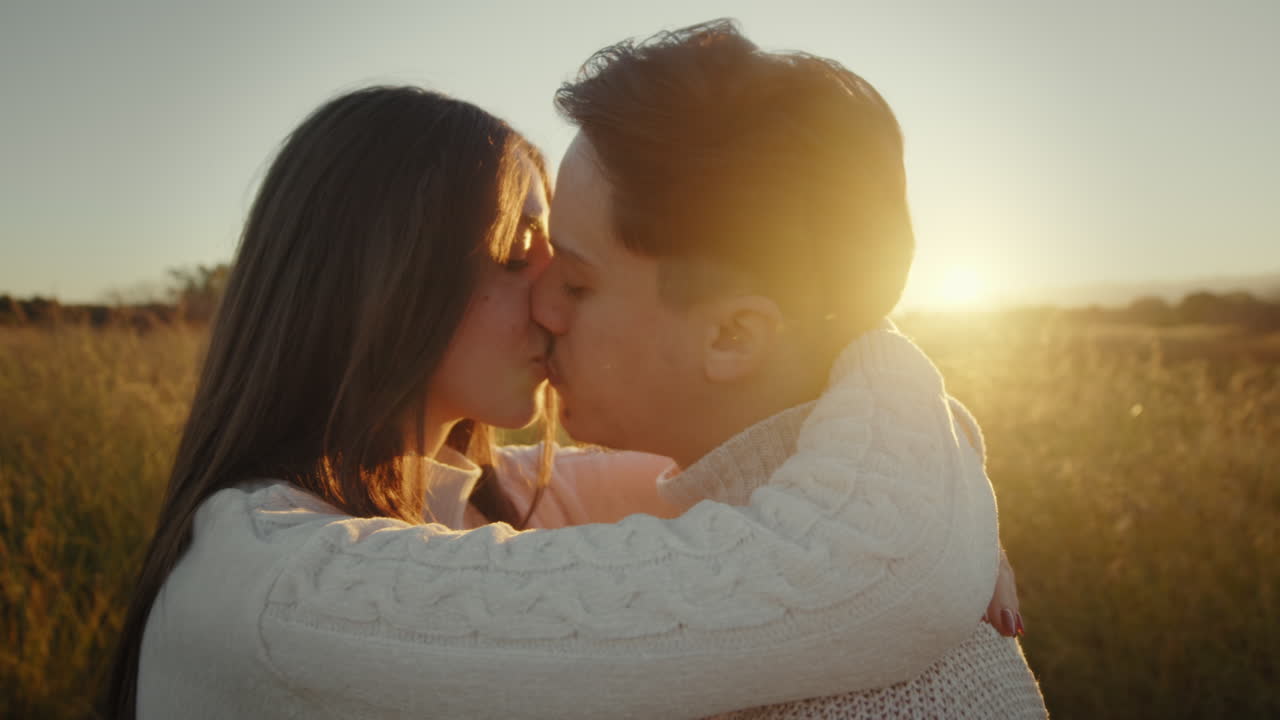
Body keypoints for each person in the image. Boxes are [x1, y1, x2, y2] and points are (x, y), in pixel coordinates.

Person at [105, 61, 1026, 720]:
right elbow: (856, 561)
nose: (550, 300)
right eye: (519, 258)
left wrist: (942, 478)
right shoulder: (279, 590)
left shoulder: (497, 493)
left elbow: (795, 501)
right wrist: (927, 489)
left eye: (572, 273)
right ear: (383, 285)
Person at [527, 19, 1046, 717]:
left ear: (735, 335)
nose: (544, 310)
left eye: (579, 284)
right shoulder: (903, 533)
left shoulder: (868, 689)